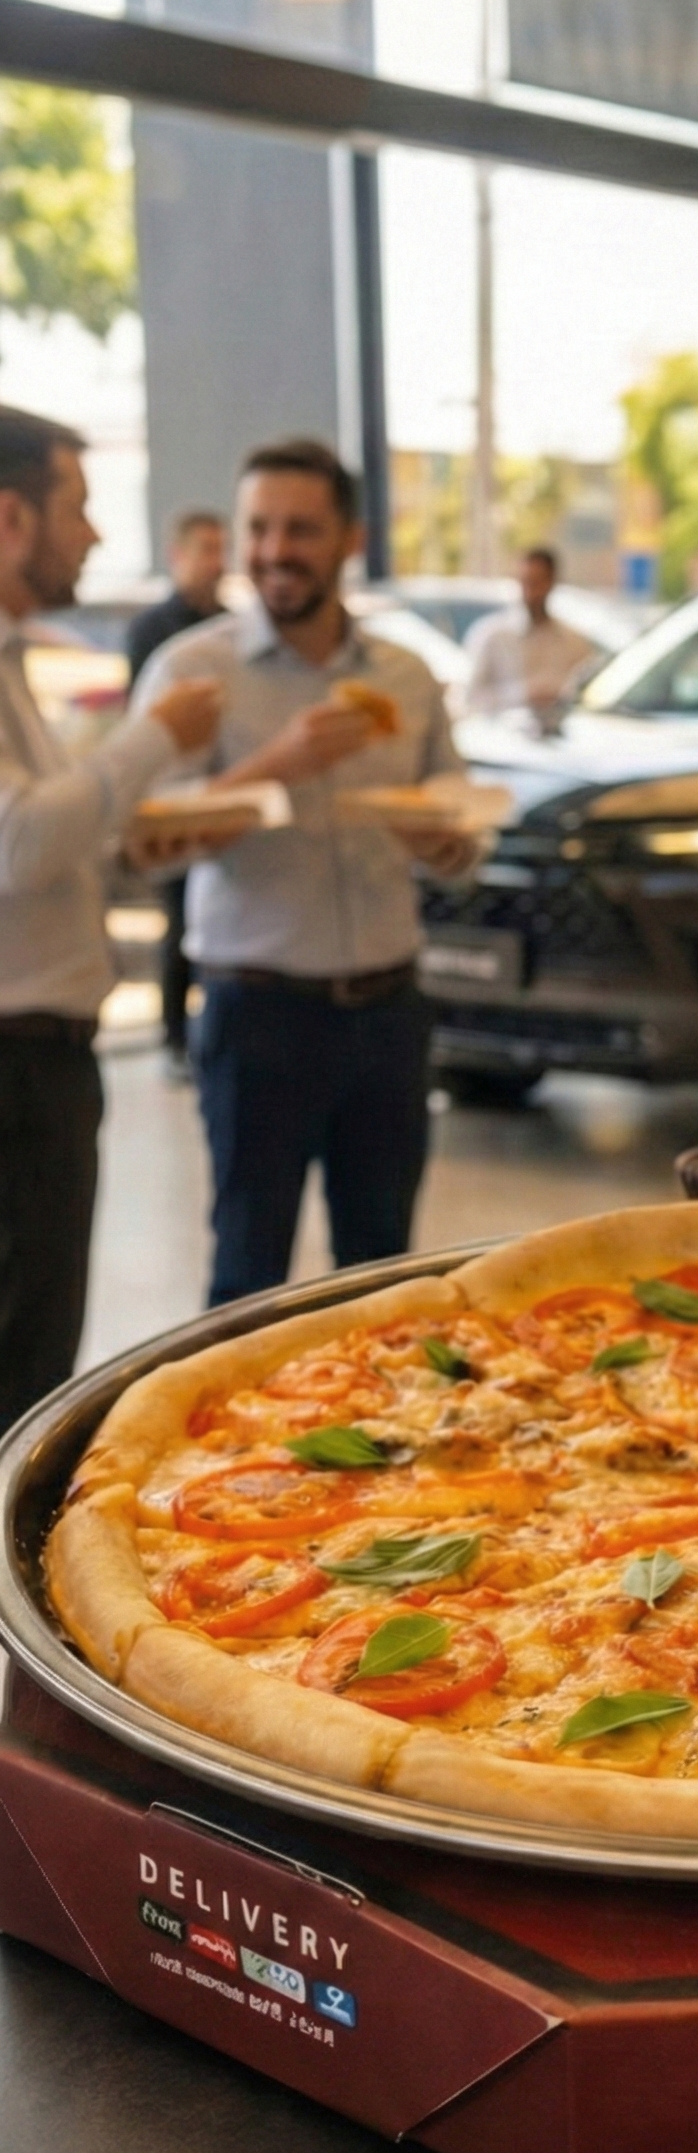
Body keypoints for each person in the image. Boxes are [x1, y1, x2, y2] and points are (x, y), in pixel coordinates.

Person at [132, 437, 478, 1307]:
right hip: (259, 1017)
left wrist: (452, 846)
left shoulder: (407, 676)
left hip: (389, 1015)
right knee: (247, 1280)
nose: (275, 551)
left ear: (349, 539)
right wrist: (276, 762)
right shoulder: (193, 671)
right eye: (259, 528)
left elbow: (461, 821)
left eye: (301, 529)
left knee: (386, 1281)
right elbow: (142, 841)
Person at [0, 407, 219, 1429]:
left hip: (41, 1063)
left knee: (38, 1348)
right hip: (15, 1072)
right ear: (10, 518)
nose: (90, 534)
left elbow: (43, 848)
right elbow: (17, 844)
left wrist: (128, 846)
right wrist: (152, 740)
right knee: (23, 1364)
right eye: (76, 508)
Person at [126, 507, 229, 1076]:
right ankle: (172, 1039)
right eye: (207, 549)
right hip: (171, 791)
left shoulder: (231, 626)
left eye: (222, 548)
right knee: (178, 916)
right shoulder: (153, 632)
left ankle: (206, 1031)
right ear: (179, 556)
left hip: (222, 793)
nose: (218, 562)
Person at [463, 547, 597, 718]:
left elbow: (588, 695)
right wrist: (523, 694)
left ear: (552, 582)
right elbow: (471, 698)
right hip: (503, 737)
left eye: (537, 582)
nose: (531, 592)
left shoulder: (574, 642)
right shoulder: (492, 636)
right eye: (525, 582)